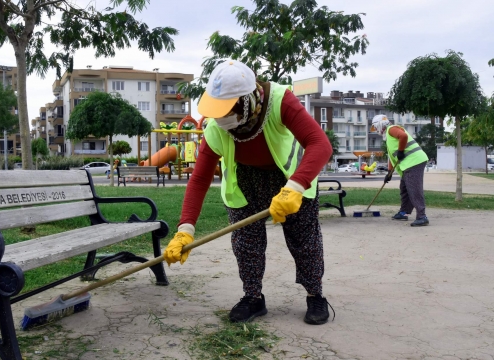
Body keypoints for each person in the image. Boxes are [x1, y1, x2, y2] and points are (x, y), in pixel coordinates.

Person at [163, 60, 333, 325]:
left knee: (305, 240)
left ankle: (316, 296)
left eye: (225, 110)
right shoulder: (216, 128)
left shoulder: (280, 101)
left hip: (290, 179)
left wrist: (295, 187)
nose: (219, 118)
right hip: (245, 183)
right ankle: (253, 297)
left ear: (245, 101)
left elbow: (320, 144)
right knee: (245, 244)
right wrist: (185, 229)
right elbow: (199, 179)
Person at [372, 115, 429, 226]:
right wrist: (389, 172)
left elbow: (403, 136)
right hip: (408, 165)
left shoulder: (392, 129)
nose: (375, 130)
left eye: (374, 127)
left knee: (414, 189)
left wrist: (401, 151)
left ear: (379, 124)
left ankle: (422, 216)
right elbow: (392, 157)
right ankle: (404, 212)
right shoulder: (388, 137)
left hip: (414, 161)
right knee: (404, 188)